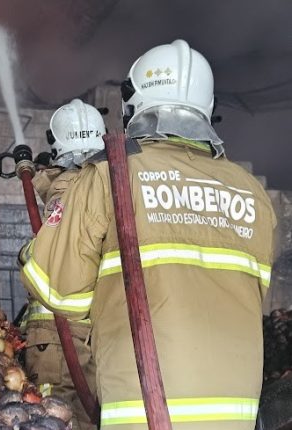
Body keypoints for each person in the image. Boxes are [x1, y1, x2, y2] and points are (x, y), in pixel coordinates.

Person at [21, 39, 275, 429]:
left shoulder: (110, 174)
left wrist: (34, 251)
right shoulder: (252, 193)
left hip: (142, 413)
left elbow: (59, 293)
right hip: (236, 416)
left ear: (132, 103)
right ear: (207, 109)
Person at [19, 98, 104, 430]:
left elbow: (53, 247)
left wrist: (28, 255)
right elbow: (61, 195)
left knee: (62, 416)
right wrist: (40, 176)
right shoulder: (103, 180)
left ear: (58, 145)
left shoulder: (71, 188)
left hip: (59, 334)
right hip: (91, 334)